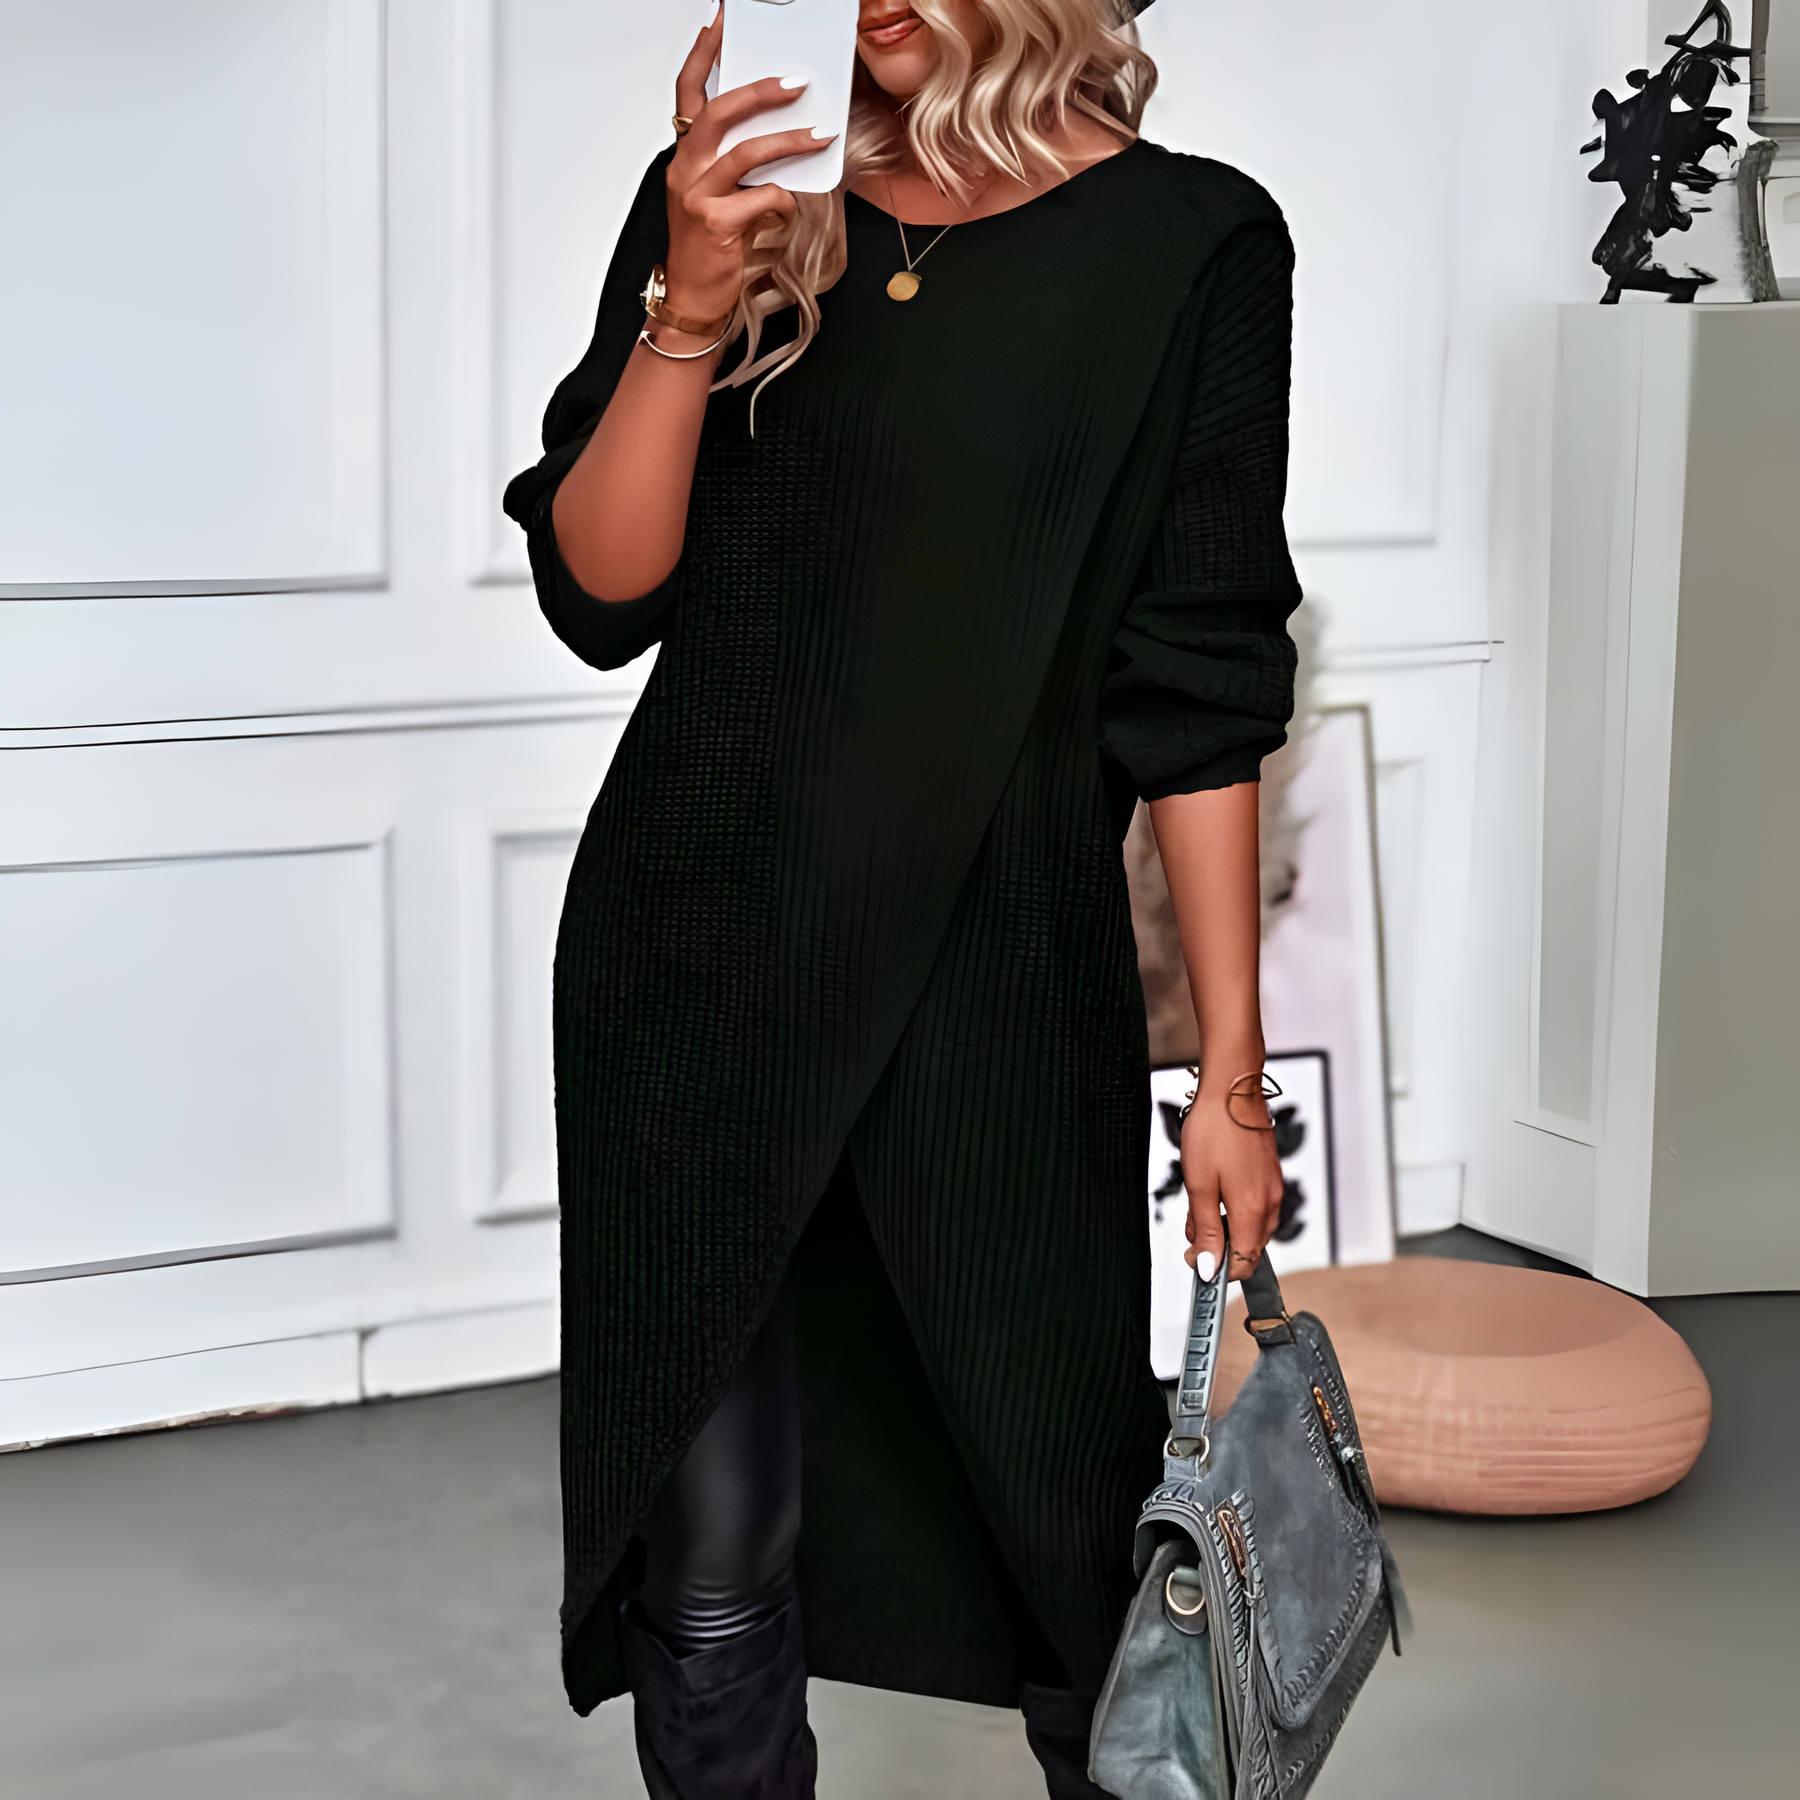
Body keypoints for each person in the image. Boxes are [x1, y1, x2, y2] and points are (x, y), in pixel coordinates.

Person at [502, 3, 1298, 1794]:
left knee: (1077, 1537)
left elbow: (1198, 689)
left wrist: (1230, 1081)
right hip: (693, 957)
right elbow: (600, 593)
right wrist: (689, 301)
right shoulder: (738, 195)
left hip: (996, 972)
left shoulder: (1194, 243)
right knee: (708, 1559)